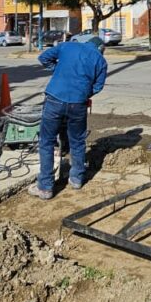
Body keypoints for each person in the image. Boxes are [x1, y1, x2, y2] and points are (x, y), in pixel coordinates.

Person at [30, 36, 108, 199]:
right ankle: (76, 179)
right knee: (77, 141)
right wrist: (84, 92)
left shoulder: (67, 46)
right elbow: (98, 86)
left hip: (55, 99)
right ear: (100, 48)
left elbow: (43, 58)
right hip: (78, 104)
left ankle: (45, 187)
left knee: (47, 141)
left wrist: (58, 70)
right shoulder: (101, 61)